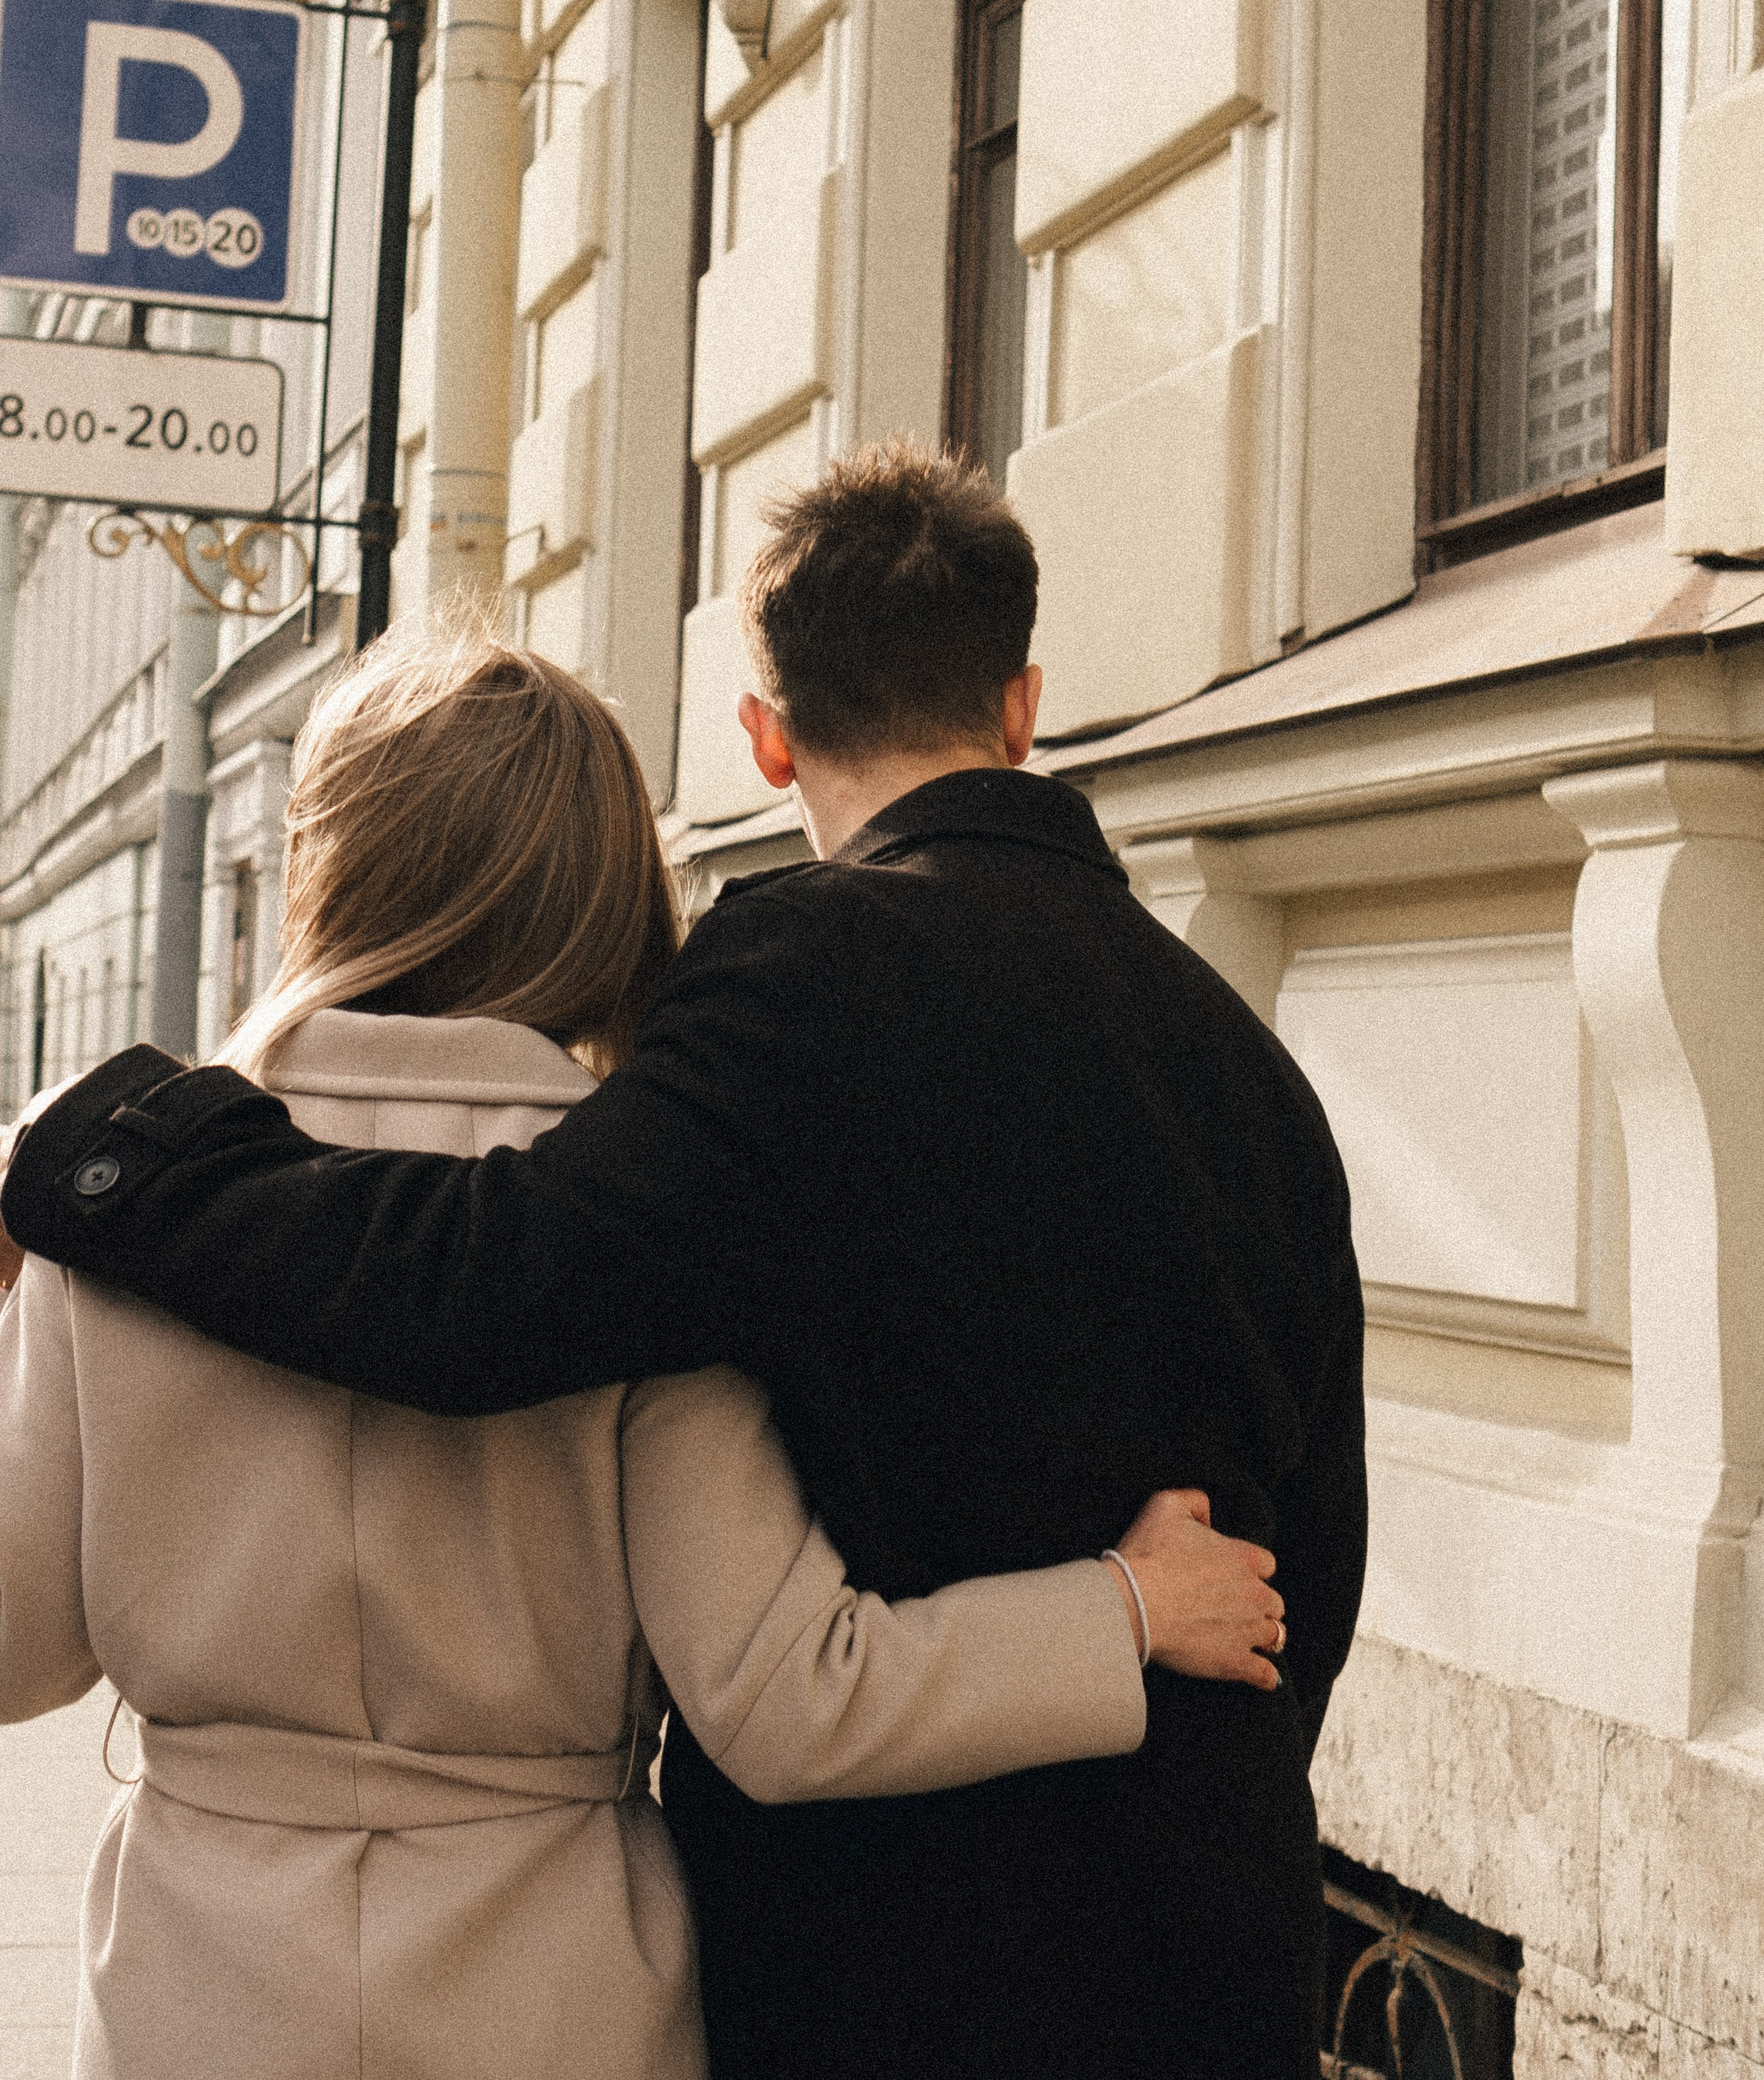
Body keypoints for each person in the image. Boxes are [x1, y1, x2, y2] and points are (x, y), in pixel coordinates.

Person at [4, 439, 1366, 2080]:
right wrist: (1122, 1613)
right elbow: (792, 1693)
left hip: (194, 1990)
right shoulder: (1225, 1063)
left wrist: (71, 1184)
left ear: (766, 737)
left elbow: (20, 1644)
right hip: (567, 1988)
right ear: (1020, 708)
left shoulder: (138, 1213)